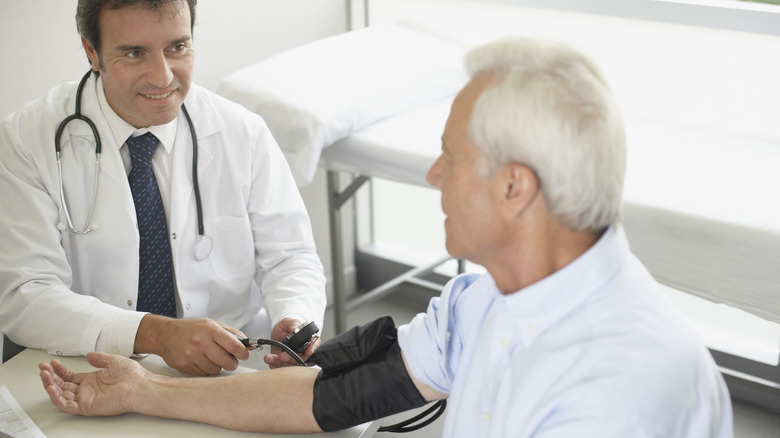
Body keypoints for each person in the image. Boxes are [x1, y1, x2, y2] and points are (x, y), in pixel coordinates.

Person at [38, 36, 733, 436]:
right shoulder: (483, 300)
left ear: (515, 188)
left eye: (451, 157)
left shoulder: (617, 390)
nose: (434, 175)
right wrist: (144, 391)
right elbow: (340, 396)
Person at [0, 0, 326, 375]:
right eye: (135, 53)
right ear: (93, 51)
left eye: (177, 47)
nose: (163, 77)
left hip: (229, 366)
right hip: (87, 363)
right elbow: (26, 294)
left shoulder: (242, 132)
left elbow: (290, 256)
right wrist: (152, 333)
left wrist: (294, 315)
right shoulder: (27, 140)